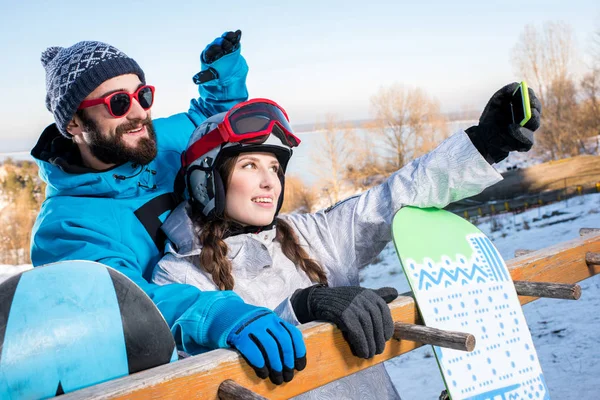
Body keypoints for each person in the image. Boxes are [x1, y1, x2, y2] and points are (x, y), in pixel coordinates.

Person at [152, 84, 542, 398]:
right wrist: (302, 308)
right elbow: (199, 369)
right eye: (249, 165)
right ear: (206, 181)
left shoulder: (309, 234)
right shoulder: (179, 274)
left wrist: (484, 144)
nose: (270, 181)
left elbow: (393, 198)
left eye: (274, 166)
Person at [30, 32, 306, 380]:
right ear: (73, 123)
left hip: (247, 295)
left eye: (143, 96)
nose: (138, 113)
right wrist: (216, 316)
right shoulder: (66, 226)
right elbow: (122, 303)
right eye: (118, 103)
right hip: (185, 361)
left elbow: (212, 122)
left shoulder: (158, 139)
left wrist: (222, 77)